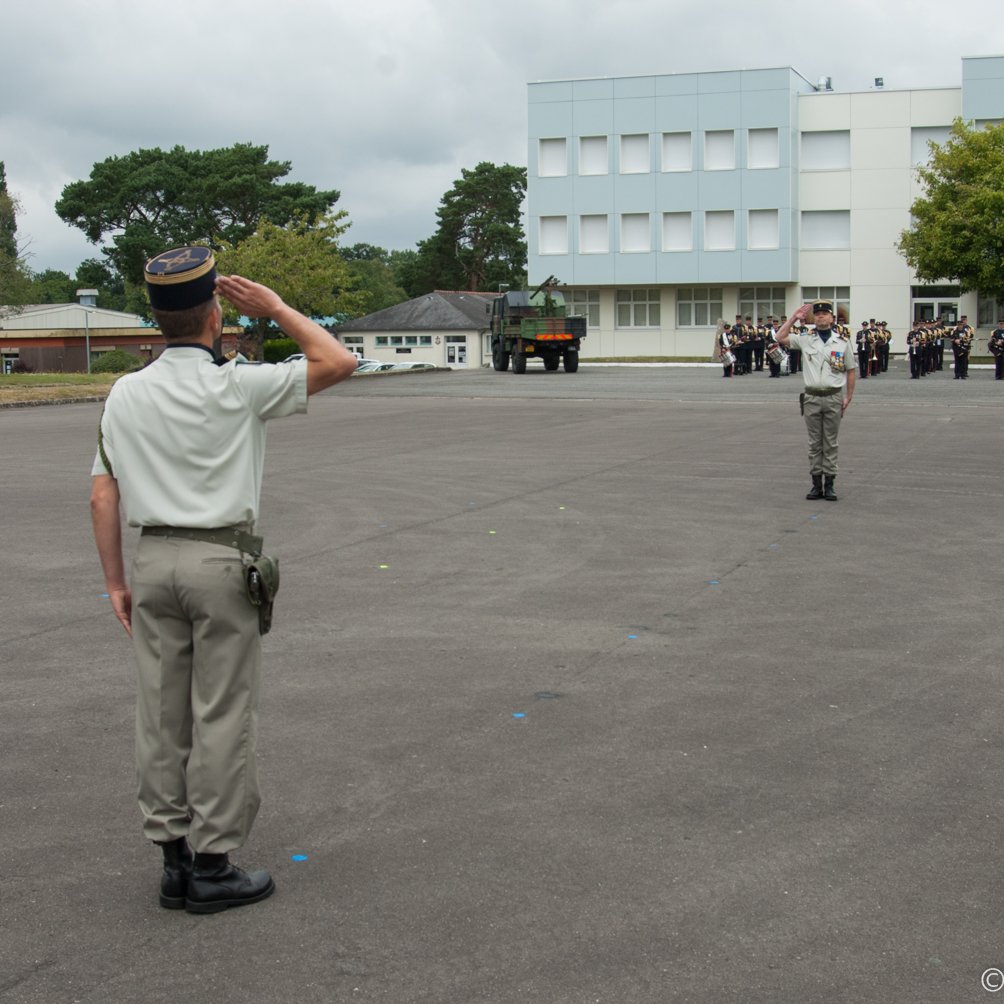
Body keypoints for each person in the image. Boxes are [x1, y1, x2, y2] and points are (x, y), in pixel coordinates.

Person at [89, 247, 358, 914]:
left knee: (160, 711)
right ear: (215, 314)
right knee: (221, 712)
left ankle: (171, 858)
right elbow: (338, 361)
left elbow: (102, 494)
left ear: (159, 321)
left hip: (151, 562)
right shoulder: (238, 385)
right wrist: (273, 308)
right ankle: (214, 864)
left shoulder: (126, 391)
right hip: (218, 561)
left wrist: (115, 583)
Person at [775, 300, 856, 501]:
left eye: (824, 314)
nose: (820, 316)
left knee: (830, 442)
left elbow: (851, 370)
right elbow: (779, 337)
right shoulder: (806, 339)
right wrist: (794, 317)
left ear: (832, 318)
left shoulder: (842, 342)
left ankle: (829, 485)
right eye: (817, 314)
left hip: (833, 396)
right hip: (811, 397)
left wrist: (848, 397)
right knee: (814, 443)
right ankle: (815, 485)